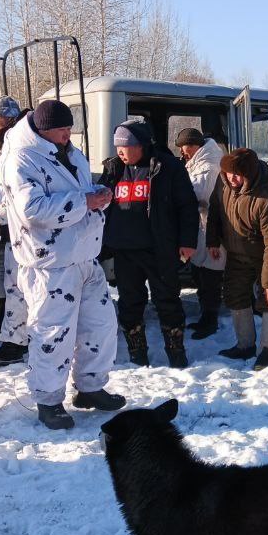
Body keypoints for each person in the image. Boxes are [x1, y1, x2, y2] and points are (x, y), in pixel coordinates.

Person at [0, 100, 124, 429]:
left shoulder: (70, 152)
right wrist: (84, 201)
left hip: (84, 256)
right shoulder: (21, 159)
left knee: (101, 326)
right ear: (42, 128)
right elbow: (33, 210)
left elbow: (76, 191)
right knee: (53, 333)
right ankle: (48, 400)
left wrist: (95, 194)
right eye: (62, 129)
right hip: (50, 264)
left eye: (69, 129)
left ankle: (91, 387)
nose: (68, 134)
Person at [99, 120, 198, 368]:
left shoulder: (167, 167)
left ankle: (176, 353)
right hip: (124, 250)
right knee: (130, 302)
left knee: (167, 300)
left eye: (125, 146)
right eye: (117, 147)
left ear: (141, 145)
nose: (120, 151)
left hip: (159, 248)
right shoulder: (113, 169)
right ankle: (137, 354)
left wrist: (187, 241)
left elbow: (187, 207)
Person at [206, 147, 268, 369]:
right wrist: (213, 241)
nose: (232, 179)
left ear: (250, 173)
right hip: (237, 253)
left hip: (266, 256)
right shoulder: (223, 183)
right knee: (234, 295)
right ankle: (245, 345)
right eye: (228, 173)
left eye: (237, 174)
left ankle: (267, 350)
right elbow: (215, 210)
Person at [0, 96, 31, 367]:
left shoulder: (21, 143)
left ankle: (15, 343)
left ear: (9, 118)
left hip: (24, 232)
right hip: (15, 228)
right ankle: (22, 339)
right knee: (20, 289)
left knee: (19, 289)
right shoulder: (12, 143)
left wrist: (0, 204)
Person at [176, 127, 226, 339]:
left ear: (194, 145)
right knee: (201, 274)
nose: (182, 152)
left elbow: (199, 195)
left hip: (211, 230)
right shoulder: (199, 161)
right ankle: (206, 316)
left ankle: (210, 320)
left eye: (184, 147)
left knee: (210, 278)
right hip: (202, 229)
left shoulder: (208, 166)